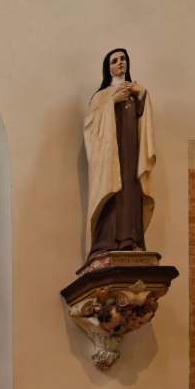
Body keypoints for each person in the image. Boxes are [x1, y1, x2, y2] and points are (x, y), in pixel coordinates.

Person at [84, 48, 156, 261]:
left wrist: (142, 93)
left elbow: (144, 122)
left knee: (132, 190)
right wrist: (112, 101)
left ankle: (132, 240)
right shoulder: (101, 95)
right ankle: (106, 244)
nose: (120, 62)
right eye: (114, 61)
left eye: (123, 59)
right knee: (113, 190)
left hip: (132, 154)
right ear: (108, 68)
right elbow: (89, 126)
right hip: (111, 157)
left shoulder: (135, 93)